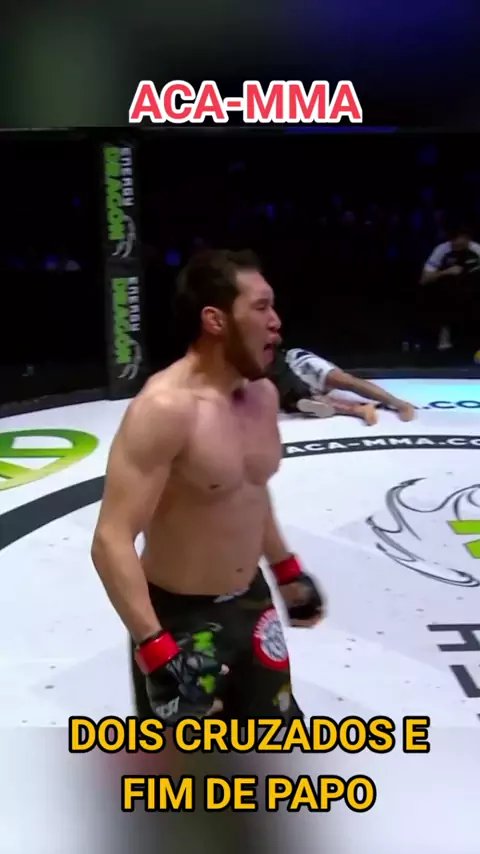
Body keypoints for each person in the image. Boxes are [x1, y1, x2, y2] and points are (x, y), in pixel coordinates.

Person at [91, 249, 324, 727]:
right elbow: (111, 539)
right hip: (178, 620)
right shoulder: (165, 409)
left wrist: (285, 568)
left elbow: (249, 491)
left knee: (276, 746)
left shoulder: (262, 395)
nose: (276, 321)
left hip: (251, 602)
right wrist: (155, 648)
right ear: (215, 320)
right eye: (261, 307)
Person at [270, 347, 415, 425]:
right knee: (303, 402)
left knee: (343, 380)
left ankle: (400, 404)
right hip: (282, 384)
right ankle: (359, 410)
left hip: (291, 364)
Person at [419, 224, 480, 356]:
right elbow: (424, 279)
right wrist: (446, 272)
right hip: (448, 292)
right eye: (454, 240)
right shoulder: (441, 250)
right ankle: (444, 337)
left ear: (467, 238)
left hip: (472, 290)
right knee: (446, 289)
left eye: (462, 239)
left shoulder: (476, 250)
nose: (457, 243)